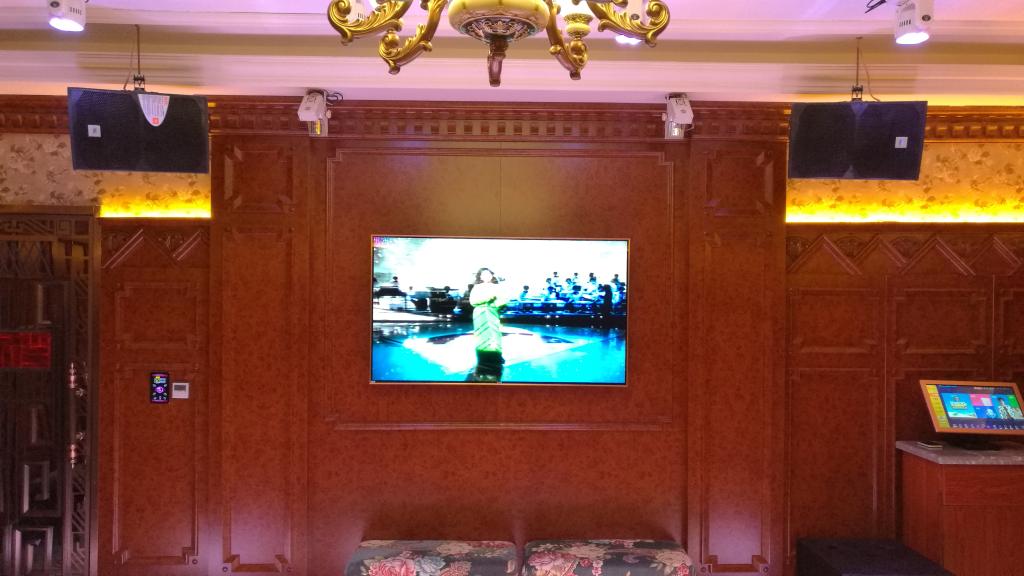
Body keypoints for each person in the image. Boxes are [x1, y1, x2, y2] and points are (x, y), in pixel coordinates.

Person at [468, 267, 508, 382]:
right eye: (484, 274)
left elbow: (503, 300)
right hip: (479, 314)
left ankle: (496, 357)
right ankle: (483, 360)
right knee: (482, 336)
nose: (487, 276)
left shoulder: (497, 287)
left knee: (494, 335)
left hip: (492, 312)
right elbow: (473, 301)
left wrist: (494, 305)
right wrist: (488, 298)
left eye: (488, 274)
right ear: (480, 277)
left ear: (492, 275)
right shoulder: (477, 287)